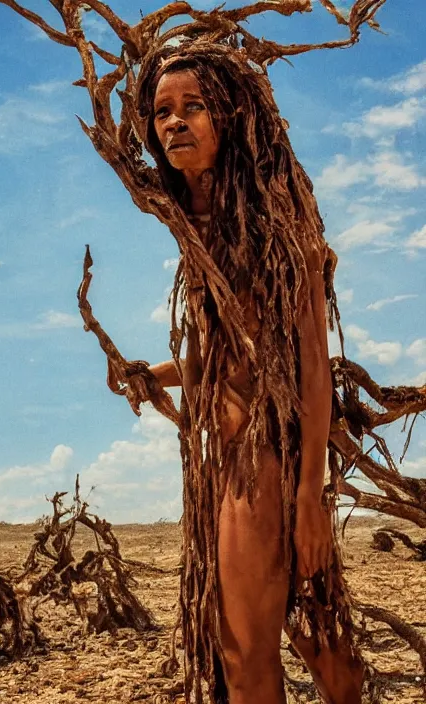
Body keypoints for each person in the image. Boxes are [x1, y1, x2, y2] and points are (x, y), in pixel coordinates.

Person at [129, 42, 365, 703]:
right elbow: (230, 355)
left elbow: (310, 368)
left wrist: (310, 499)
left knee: (245, 656)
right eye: (162, 111)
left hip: (264, 461)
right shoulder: (204, 231)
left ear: (229, 117)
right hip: (241, 459)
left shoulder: (279, 222)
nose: (174, 122)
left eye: (193, 107)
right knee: (315, 637)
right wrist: (159, 374)